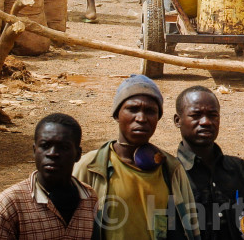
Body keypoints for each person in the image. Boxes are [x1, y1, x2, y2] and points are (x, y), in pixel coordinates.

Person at [75, 75, 199, 239]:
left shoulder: (171, 169)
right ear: (117, 115)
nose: (141, 118)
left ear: (157, 118)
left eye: (150, 111)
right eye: (133, 109)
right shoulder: (89, 167)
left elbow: (191, 229)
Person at [174, 86, 244, 240]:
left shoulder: (240, 171)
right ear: (178, 120)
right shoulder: (168, 176)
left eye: (213, 115)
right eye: (196, 115)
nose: (206, 122)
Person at [0, 113, 98, 240]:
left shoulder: (89, 199)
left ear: (78, 154)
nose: (52, 154)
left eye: (63, 147)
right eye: (45, 146)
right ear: (34, 151)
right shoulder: (10, 205)